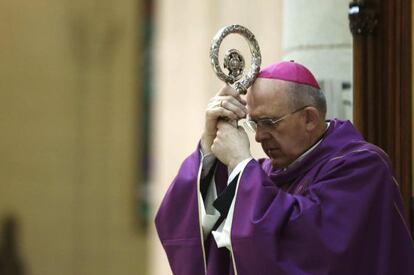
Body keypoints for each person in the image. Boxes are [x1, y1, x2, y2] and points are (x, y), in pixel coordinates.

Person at [155, 61, 414, 275]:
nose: (258, 137)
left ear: (309, 119)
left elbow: (314, 252)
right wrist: (208, 147)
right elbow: (190, 225)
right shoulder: (262, 175)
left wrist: (240, 165)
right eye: (254, 124)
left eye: (269, 122)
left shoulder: (361, 166)